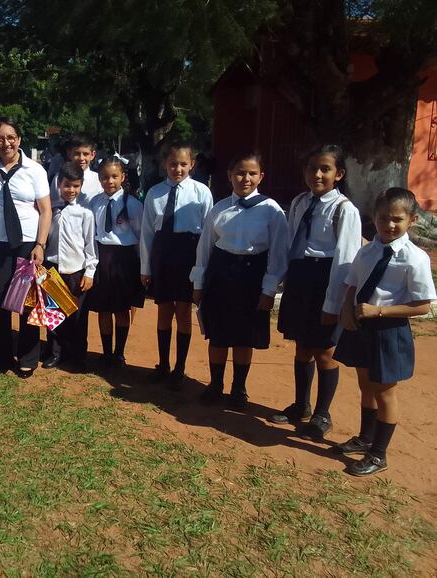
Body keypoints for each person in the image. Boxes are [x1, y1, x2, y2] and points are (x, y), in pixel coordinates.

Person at [333, 188, 435, 476]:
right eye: (382, 218)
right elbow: (352, 283)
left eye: (397, 219)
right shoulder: (367, 250)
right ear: (373, 218)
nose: (389, 225)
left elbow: (423, 306)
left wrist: (380, 311)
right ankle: (365, 438)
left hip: (388, 330)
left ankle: (378, 454)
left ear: (412, 220)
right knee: (365, 386)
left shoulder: (414, 258)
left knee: (385, 393)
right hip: (360, 325)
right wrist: (346, 309)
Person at [272, 145, 362, 439]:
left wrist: (333, 303)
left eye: (325, 169)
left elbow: (346, 258)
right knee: (301, 346)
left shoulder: (344, 209)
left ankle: (323, 413)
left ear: (339, 174)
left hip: (326, 280)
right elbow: (289, 244)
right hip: (300, 278)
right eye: (312, 168)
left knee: (325, 351)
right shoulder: (299, 202)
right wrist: (279, 281)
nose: (318, 174)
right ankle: (301, 404)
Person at [191, 151, 288, 409]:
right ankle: (215, 384)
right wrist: (199, 284)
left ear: (261, 176)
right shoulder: (219, 209)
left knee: (245, 337)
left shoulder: (272, 210)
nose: (245, 178)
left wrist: (269, 290)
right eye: (240, 173)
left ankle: (239, 388)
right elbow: (205, 250)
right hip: (221, 276)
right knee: (218, 334)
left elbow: (278, 255)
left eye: (252, 173)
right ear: (229, 175)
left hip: (252, 277)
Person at [140, 141, 212, 389]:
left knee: (183, 312)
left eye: (183, 163)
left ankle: (179, 368)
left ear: (191, 164)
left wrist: (201, 270)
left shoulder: (201, 192)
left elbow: (208, 234)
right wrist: (146, 268)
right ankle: (163, 364)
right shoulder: (154, 193)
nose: (177, 168)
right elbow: (147, 233)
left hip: (187, 257)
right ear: (164, 165)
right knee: (163, 311)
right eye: (172, 163)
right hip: (162, 257)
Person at [0, 117, 52, 378]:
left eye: (11, 137)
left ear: (19, 140)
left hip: (27, 245)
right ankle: (2, 356)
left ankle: (27, 357)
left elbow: (46, 210)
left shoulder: (34, 170)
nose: (6, 143)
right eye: (0, 138)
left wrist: (40, 244)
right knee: (1, 302)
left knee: (27, 302)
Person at [87, 156, 144, 369]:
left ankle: (119, 353)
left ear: (122, 177)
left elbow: (140, 236)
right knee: (103, 309)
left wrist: (139, 265)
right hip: (102, 258)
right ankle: (106, 352)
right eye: (104, 177)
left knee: (121, 309)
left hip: (124, 260)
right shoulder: (95, 202)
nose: (109, 181)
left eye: (113, 176)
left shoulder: (132, 204)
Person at [42, 161, 98, 372]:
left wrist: (90, 272)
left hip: (76, 271)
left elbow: (90, 246)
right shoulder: (51, 211)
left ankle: (78, 355)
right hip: (53, 270)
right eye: (67, 185)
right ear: (58, 184)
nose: (71, 190)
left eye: (75, 186)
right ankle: (55, 352)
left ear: (81, 186)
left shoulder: (86, 213)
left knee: (78, 317)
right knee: (53, 313)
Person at [49, 134, 101, 208]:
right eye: (77, 154)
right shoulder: (59, 177)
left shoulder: (98, 180)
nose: (81, 158)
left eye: (85, 154)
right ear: (69, 153)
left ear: (92, 155)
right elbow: (54, 206)